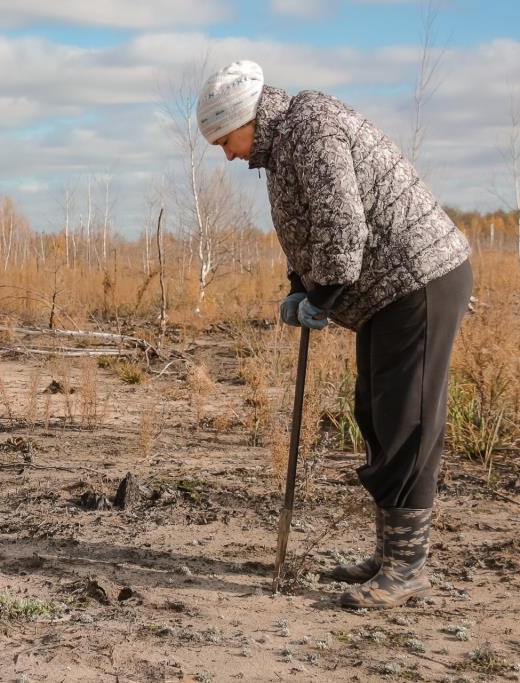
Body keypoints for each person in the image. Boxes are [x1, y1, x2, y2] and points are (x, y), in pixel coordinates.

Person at [196, 60, 472, 608]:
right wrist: (302, 286)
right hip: (384, 293)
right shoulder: (281, 148)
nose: (227, 154)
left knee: (406, 422)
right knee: (374, 413)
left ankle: (408, 571)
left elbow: (344, 225)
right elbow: (311, 228)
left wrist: (320, 297)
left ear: (248, 118)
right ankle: (389, 556)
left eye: (226, 140)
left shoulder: (312, 126)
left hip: (419, 280)